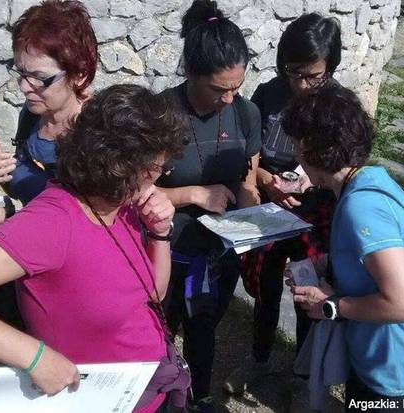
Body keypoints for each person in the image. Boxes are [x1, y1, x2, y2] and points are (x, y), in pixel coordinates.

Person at [0, 84, 188, 413]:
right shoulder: (54, 221)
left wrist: (160, 234)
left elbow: (152, 294)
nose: (157, 181)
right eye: (154, 170)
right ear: (119, 165)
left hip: (153, 388)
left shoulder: (123, 207)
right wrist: (33, 356)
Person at [285, 84, 404, 411]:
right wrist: (327, 264)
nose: (295, 154)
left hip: (399, 382)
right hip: (383, 370)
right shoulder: (374, 179)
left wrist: (329, 306)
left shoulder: (359, 207)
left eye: (295, 143)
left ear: (308, 147)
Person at [223, 12, 341, 400]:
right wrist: (268, 183)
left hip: (316, 212)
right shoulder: (268, 96)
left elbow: (344, 165)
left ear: (330, 68)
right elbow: (248, 158)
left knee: (308, 290)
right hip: (270, 209)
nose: (301, 84)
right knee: (265, 285)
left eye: (312, 76)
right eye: (293, 72)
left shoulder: (336, 105)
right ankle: (258, 359)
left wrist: (311, 179)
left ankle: (303, 374)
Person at [155, 1, 261, 411]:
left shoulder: (246, 113)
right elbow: (129, 192)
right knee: (162, 327)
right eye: (219, 89)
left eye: (236, 86)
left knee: (205, 328)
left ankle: (198, 395)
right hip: (168, 249)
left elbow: (248, 178)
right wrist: (194, 195)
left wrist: (256, 214)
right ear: (191, 72)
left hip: (221, 251)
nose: (229, 98)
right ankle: (161, 393)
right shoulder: (162, 114)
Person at [0, 0, 98, 237]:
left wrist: (7, 216)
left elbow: (91, 226)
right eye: (21, 73)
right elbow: (25, 191)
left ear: (80, 74)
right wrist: (2, 174)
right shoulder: (32, 116)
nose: (25, 87)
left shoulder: (100, 132)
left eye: (39, 77)